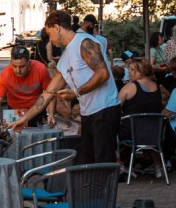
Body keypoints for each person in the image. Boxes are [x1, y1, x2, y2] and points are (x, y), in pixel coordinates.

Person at [39, 10, 121, 166]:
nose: (50, 39)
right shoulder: (66, 56)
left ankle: (104, 191)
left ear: (57, 28)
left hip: (105, 109)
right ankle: (91, 190)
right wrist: (27, 118)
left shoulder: (84, 42)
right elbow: (50, 91)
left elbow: (103, 74)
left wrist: (76, 92)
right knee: (87, 162)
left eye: (50, 34)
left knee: (103, 162)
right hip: (88, 112)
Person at [0, 46, 51, 128]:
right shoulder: (5, 74)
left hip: (37, 111)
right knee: (12, 138)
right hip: (14, 112)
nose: (18, 70)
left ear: (29, 62)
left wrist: (51, 113)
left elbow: (50, 92)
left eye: (22, 66)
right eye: (14, 66)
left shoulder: (41, 69)